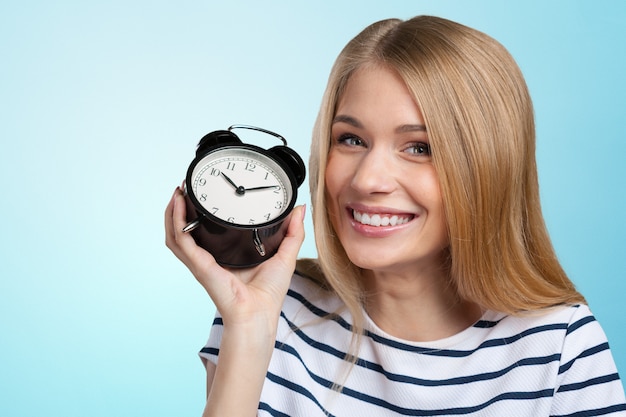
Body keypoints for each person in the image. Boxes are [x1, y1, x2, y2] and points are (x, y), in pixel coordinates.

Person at [165, 15, 626, 417]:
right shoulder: (270, 311)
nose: (367, 180)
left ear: (488, 170)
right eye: (350, 139)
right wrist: (248, 326)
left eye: (419, 148)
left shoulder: (558, 349)